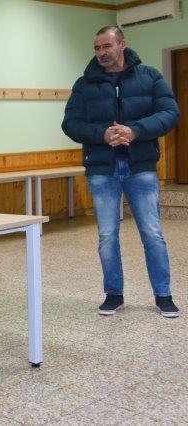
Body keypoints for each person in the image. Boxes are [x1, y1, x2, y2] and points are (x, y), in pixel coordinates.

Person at [62, 26, 180, 317]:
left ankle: (163, 295)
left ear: (122, 45)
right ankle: (113, 294)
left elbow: (169, 113)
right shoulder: (84, 85)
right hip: (102, 170)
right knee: (107, 235)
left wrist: (135, 130)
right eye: (97, 48)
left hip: (141, 168)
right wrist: (102, 134)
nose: (101, 52)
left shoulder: (150, 76)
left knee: (152, 233)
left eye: (107, 46)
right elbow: (71, 124)